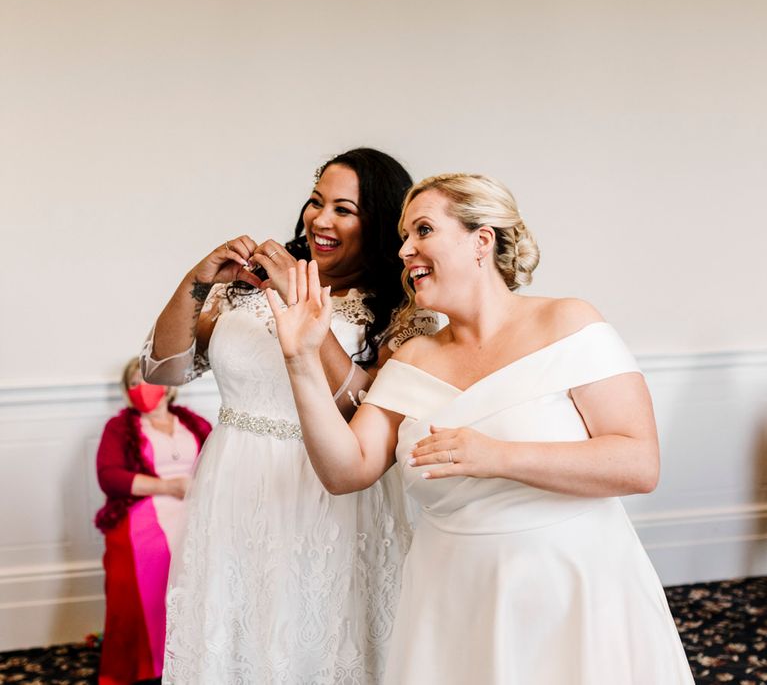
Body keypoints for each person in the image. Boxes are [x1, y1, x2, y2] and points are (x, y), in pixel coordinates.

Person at [267, 173, 695, 684]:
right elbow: (346, 470)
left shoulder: (569, 324)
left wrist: (497, 456)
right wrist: (300, 359)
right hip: (452, 597)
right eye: (405, 236)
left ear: (481, 240)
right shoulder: (412, 359)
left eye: (423, 230)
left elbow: (638, 463)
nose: (405, 250)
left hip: (573, 588)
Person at [139, 148, 438, 684]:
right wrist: (198, 280)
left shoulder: (405, 309)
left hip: (329, 497)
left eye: (344, 210)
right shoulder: (247, 288)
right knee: (235, 635)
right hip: (233, 487)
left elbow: (368, 410)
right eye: (316, 202)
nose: (320, 220)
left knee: (315, 639)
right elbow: (162, 370)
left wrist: (302, 307)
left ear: (379, 223)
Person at [94, 356, 211, 685]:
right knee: (150, 557)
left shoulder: (195, 424)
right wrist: (168, 486)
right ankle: (147, 667)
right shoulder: (118, 428)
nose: (140, 389)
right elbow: (110, 478)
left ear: (169, 387)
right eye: (132, 383)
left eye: (146, 379)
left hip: (195, 508)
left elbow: (218, 466)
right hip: (143, 508)